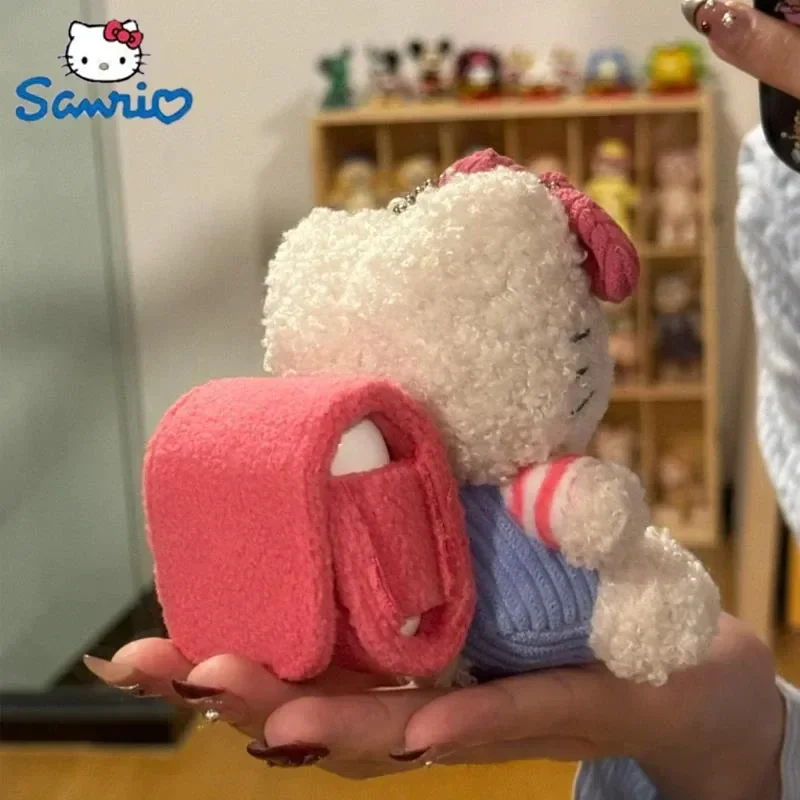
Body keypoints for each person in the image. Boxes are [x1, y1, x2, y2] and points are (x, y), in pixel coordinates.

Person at [86, 3, 800, 796]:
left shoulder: (514, 483)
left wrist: (725, 725)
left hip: (570, 637)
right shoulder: (777, 167)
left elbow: (589, 509)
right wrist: (738, 744)